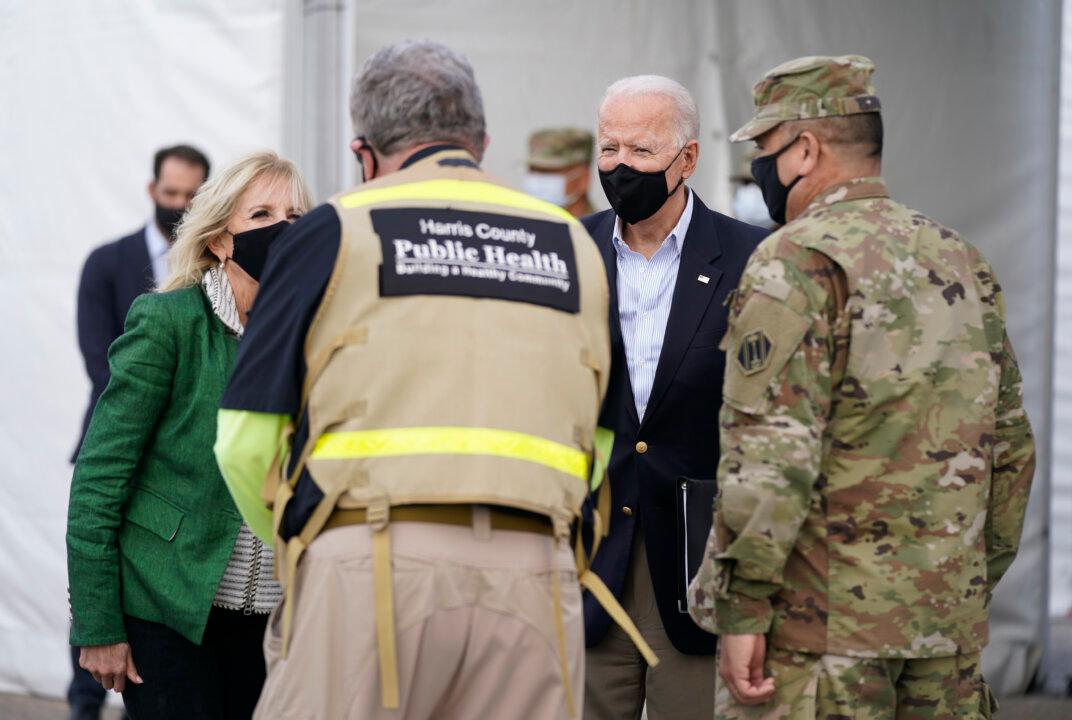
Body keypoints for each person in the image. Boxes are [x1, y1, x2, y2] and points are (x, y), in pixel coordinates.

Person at [214, 40, 653, 720]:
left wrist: (299, 546)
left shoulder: (333, 230)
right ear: (480, 141)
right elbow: (601, 436)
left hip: (368, 567)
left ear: (364, 153)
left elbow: (243, 442)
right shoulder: (574, 245)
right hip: (536, 578)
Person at [687, 55, 1036, 719]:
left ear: (805, 149)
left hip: (822, 646)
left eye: (766, 148)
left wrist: (744, 609)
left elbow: (770, 459)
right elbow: (1013, 451)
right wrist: (958, 587)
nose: (762, 168)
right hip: (945, 641)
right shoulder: (960, 259)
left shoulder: (796, 261)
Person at [67, 152, 312, 720]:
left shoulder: (313, 336)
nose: (283, 229)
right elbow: (100, 479)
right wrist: (98, 623)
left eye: (297, 216)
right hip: (169, 610)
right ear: (221, 238)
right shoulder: (169, 322)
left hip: (276, 620)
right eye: (262, 214)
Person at [580, 75, 768, 720]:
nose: (620, 167)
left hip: (698, 562)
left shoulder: (752, 258)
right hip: (589, 557)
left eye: (641, 151)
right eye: (609, 150)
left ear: (686, 159)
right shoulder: (566, 254)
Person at [67, 143, 209, 720]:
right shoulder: (107, 262)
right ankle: (81, 703)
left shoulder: (211, 269)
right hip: (116, 442)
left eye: (189, 197)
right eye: (169, 194)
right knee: (97, 576)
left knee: (153, 592)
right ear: (152, 191)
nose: (177, 206)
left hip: (177, 462)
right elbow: (100, 362)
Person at [524, 128, 596, 217]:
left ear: (583, 179)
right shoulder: (520, 227)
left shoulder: (603, 229)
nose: (538, 180)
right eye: (534, 170)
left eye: (549, 171)